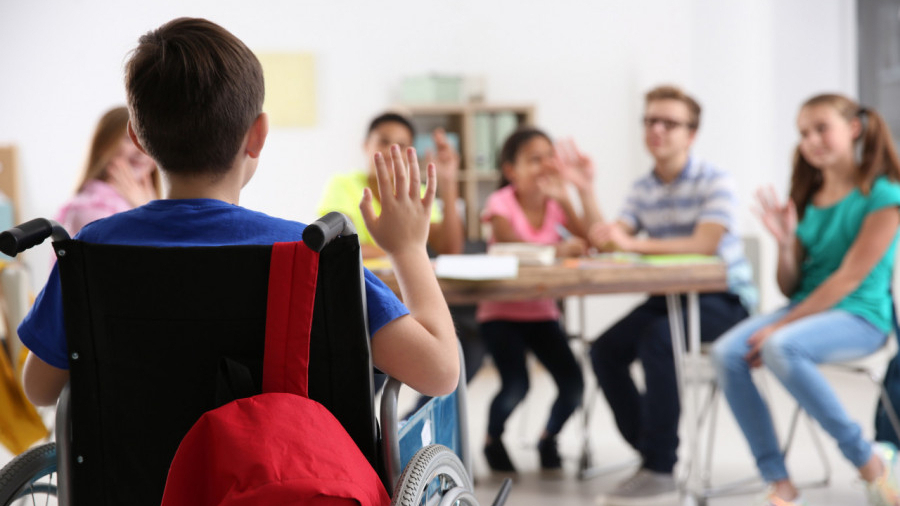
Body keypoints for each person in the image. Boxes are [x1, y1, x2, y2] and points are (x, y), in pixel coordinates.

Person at [18, 17, 459, 409]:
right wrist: (408, 249)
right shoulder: (309, 253)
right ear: (258, 136)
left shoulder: (93, 249)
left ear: (138, 138)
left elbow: (39, 390)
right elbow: (439, 373)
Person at [711, 94, 900, 506]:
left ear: (852, 129)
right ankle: (778, 480)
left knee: (782, 344)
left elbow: (850, 277)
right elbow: (789, 284)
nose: (811, 140)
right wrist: (784, 245)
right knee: (726, 353)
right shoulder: (807, 193)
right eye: (803, 133)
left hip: (860, 316)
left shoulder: (885, 195)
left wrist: (780, 326)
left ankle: (868, 462)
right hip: (804, 310)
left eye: (821, 128)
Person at [589, 85, 756, 505]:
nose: (656, 129)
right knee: (605, 349)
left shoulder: (715, 180)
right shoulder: (642, 187)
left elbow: (704, 243)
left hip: (725, 300)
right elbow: (616, 237)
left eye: (669, 123)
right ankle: (651, 451)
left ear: (691, 134)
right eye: (650, 121)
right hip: (669, 299)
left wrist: (632, 244)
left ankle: (660, 467)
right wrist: (589, 198)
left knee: (658, 340)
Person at [479, 127, 600, 477]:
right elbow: (508, 243)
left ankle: (549, 437)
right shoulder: (500, 202)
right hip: (500, 313)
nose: (545, 165)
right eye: (534, 159)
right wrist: (556, 249)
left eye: (550, 157)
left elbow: (587, 243)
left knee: (573, 384)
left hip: (542, 312)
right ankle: (492, 440)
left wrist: (565, 200)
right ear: (511, 170)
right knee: (516, 385)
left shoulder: (555, 205)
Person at [317, 112, 464, 259]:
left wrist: (448, 181)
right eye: (384, 142)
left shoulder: (418, 192)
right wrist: (405, 249)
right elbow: (338, 247)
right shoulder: (343, 184)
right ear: (366, 145)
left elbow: (450, 250)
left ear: (410, 152)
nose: (390, 152)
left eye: (401, 145)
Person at [56, 106, 160, 236]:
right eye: (130, 140)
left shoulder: (151, 202)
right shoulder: (90, 208)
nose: (142, 151)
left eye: (148, 141)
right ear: (103, 145)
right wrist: (149, 213)